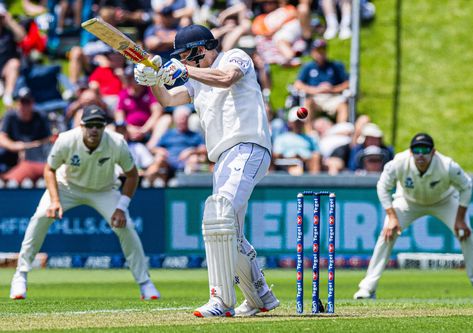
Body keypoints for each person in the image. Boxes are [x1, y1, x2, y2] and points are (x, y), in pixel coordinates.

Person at [134, 24, 280, 317]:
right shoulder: (196, 80)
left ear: (201, 49)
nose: (185, 62)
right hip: (223, 157)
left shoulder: (234, 57)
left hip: (248, 145)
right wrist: (153, 80)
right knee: (229, 231)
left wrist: (185, 72)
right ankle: (260, 296)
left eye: (187, 57)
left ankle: (221, 300)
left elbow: (226, 79)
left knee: (218, 216)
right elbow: (167, 100)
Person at [9, 105, 160, 301]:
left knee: (127, 228)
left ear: (105, 127)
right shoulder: (66, 140)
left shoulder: (116, 142)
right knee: (39, 218)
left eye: (98, 125)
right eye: (90, 125)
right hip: (67, 186)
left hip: (104, 190)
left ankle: (145, 283)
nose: (94, 129)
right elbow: (49, 169)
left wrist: (122, 207)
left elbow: (132, 175)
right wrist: (55, 201)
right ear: (82, 126)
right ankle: (20, 275)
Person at [353, 133, 473, 300]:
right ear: (411, 151)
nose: (420, 154)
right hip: (407, 201)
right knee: (387, 234)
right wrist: (392, 217)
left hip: (444, 201)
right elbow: (382, 187)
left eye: (425, 150)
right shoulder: (398, 163)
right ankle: (367, 288)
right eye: (416, 150)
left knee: (466, 234)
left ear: (433, 152)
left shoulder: (447, 165)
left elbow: (466, 186)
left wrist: (460, 219)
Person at [293, 39, 349, 131]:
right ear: (312, 52)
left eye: (323, 50)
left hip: (332, 97)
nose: (320, 53)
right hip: (315, 97)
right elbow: (298, 84)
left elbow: (347, 84)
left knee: (343, 105)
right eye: (318, 51)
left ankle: (340, 132)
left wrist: (332, 89)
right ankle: (309, 132)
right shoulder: (308, 67)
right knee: (308, 103)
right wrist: (316, 90)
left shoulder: (336, 66)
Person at [0, 89, 51, 184]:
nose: (24, 105)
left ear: (32, 103)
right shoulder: (10, 116)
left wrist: (26, 148)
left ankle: (11, 179)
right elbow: (2, 138)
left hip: (35, 155)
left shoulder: (41, 116)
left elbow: (48, 140)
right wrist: (14, 146)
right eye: (22, 102)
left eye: (27, 102)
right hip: (12, 153)